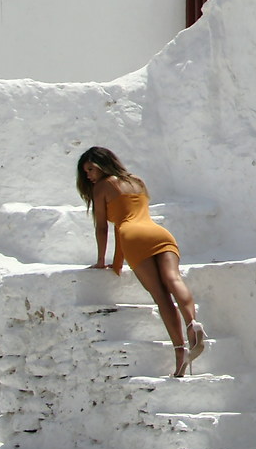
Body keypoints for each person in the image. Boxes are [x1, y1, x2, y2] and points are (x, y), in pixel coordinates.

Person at [76, 146, 207, 378]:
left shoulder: (102, 186)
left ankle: (180, 349)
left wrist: (101, 260)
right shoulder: (137, 181)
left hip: (133, 236)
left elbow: (102, 227)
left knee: (161, 296)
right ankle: (192, 324)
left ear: (103, 165)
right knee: (174, 279)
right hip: (159, 233)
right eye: (86, 172)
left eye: (91, 169)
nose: (89, 175)